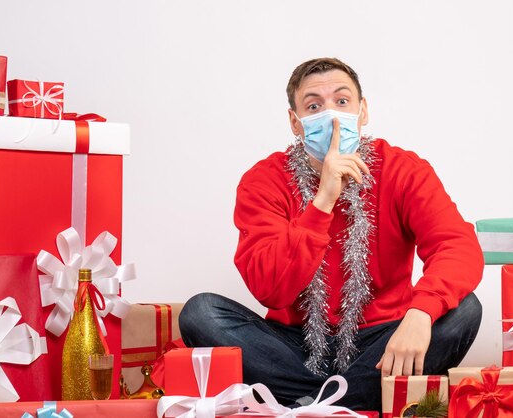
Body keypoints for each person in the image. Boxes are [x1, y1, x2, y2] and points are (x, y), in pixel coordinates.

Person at [180, 57, 484, 411]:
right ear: (295, 122)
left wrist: (421, 314)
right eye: (314, 106)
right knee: (200, 313)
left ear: (363, 111)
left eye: (342, 101)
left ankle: (307, 403)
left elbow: (457, 245)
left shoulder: (403, 169)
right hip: (292, 345)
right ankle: (345, 400)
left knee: (464, 309)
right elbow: (270, 288)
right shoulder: (263, 180)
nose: (331, 115)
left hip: (382, 340)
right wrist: (323, 201)